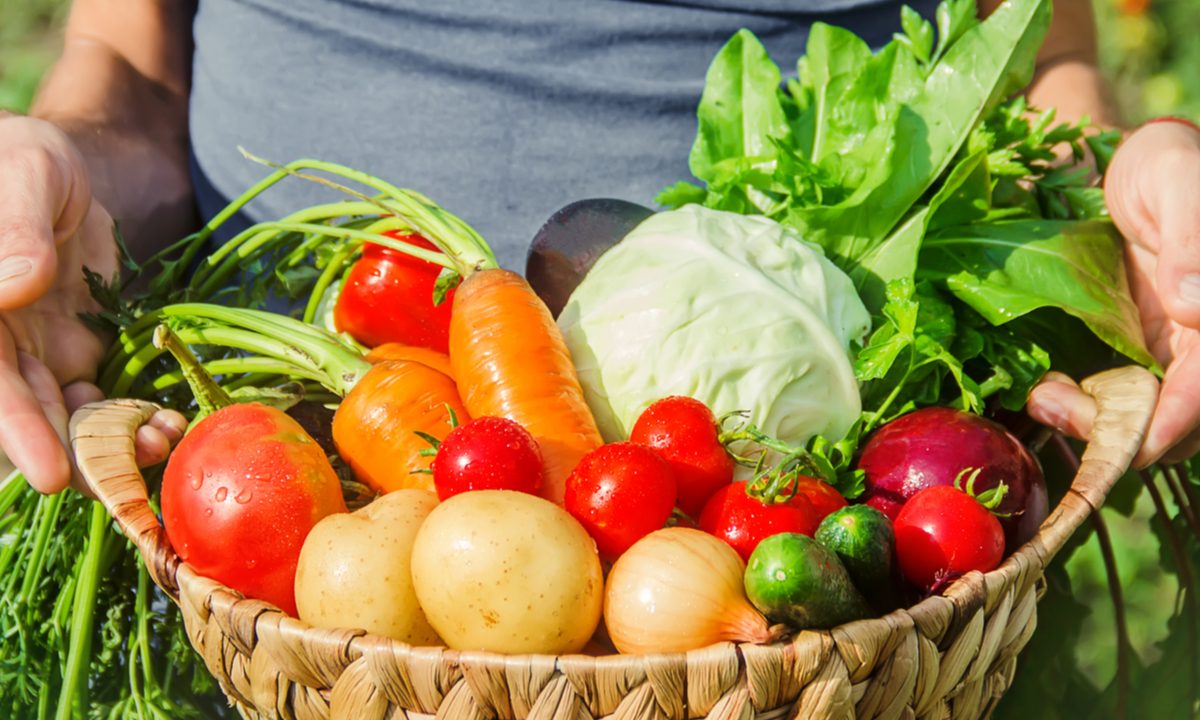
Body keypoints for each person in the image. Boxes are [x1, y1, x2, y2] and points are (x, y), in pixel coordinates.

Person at [0, 0, 1196, 494]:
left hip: (827, 558)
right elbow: (132, 68)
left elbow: (1038, 61)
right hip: (278, 505)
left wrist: (1104, 193)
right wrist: (66, 171)